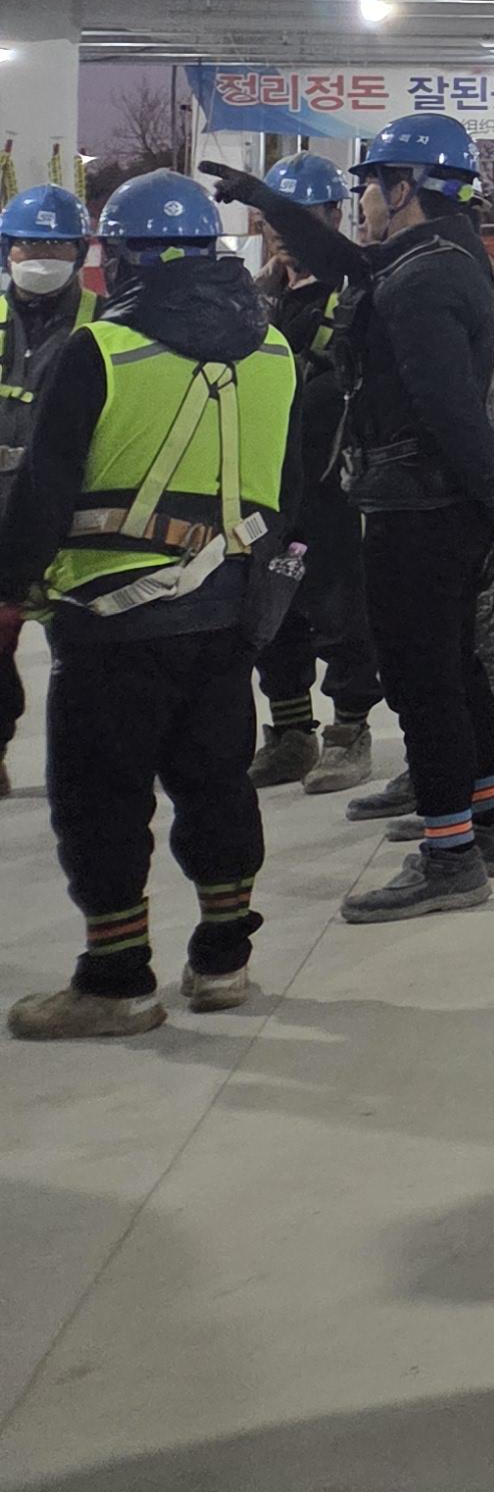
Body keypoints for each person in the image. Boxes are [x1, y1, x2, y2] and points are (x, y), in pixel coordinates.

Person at [0, 173, 298, 1038]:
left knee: (101, 798)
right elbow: (286, 489)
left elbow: (44, 493)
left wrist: (9, 590)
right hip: (229, 611)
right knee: (217, 784)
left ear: (121, 256)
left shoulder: (100, 350)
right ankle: (224, 961)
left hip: (111, 621)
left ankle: (117, 979)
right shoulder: (274, 350)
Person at [220, 114, 494, 922]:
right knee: (457, 669)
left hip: (422, 506)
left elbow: (449, 407)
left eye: (367, 187)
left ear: (404, 188)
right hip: (439, 502)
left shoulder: (425, 280)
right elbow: (348, 263)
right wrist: (269, 203)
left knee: (424, 684)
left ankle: (450, 855)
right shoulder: (445, 256)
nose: (359, 202)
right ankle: (489, 824)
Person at [244, 153, 383, 793]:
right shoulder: (254, 297)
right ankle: (291, 731)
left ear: (333, 218)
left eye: (300, 217)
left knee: (341, 611)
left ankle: (349, 731)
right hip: (264, 483)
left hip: (333, 484)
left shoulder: (356, 293)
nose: (284, 232)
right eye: (275, 220)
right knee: (271, 610)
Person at [0, 180, 100, 797]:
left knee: (84, 654)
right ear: (6, 249)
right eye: (27, 245)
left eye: (55, 247)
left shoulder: (104, 323)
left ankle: (89, 766)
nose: (40, 258)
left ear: (80, 252)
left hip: (72, 512)